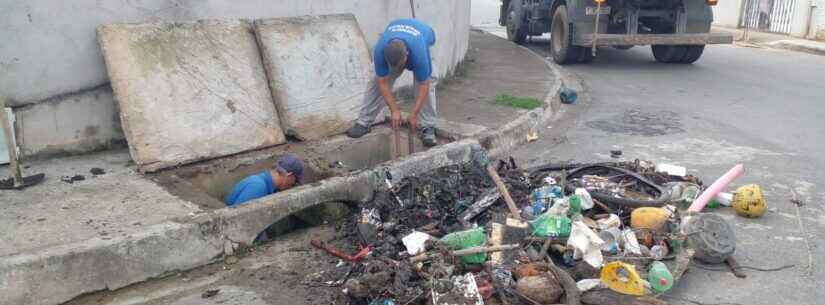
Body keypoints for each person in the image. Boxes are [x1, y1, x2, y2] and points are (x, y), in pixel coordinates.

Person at [346, 18, 438, 147]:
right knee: (375, 80)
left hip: (424, 36)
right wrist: (394, 110)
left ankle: (428, 126)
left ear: (407, 55)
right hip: (398, 37)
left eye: (401, 65)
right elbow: (382, 82)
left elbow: (424, 84)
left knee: (428, 80)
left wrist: (413, 113)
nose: (399, 69)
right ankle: (364, 122)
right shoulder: (380, 50)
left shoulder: (419, 52)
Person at [224, 154, 304, 206]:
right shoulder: (258, 187)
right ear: (289, 176)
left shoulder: (266, 185)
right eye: (295, 181)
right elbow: (238, 220)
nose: (292, 185)